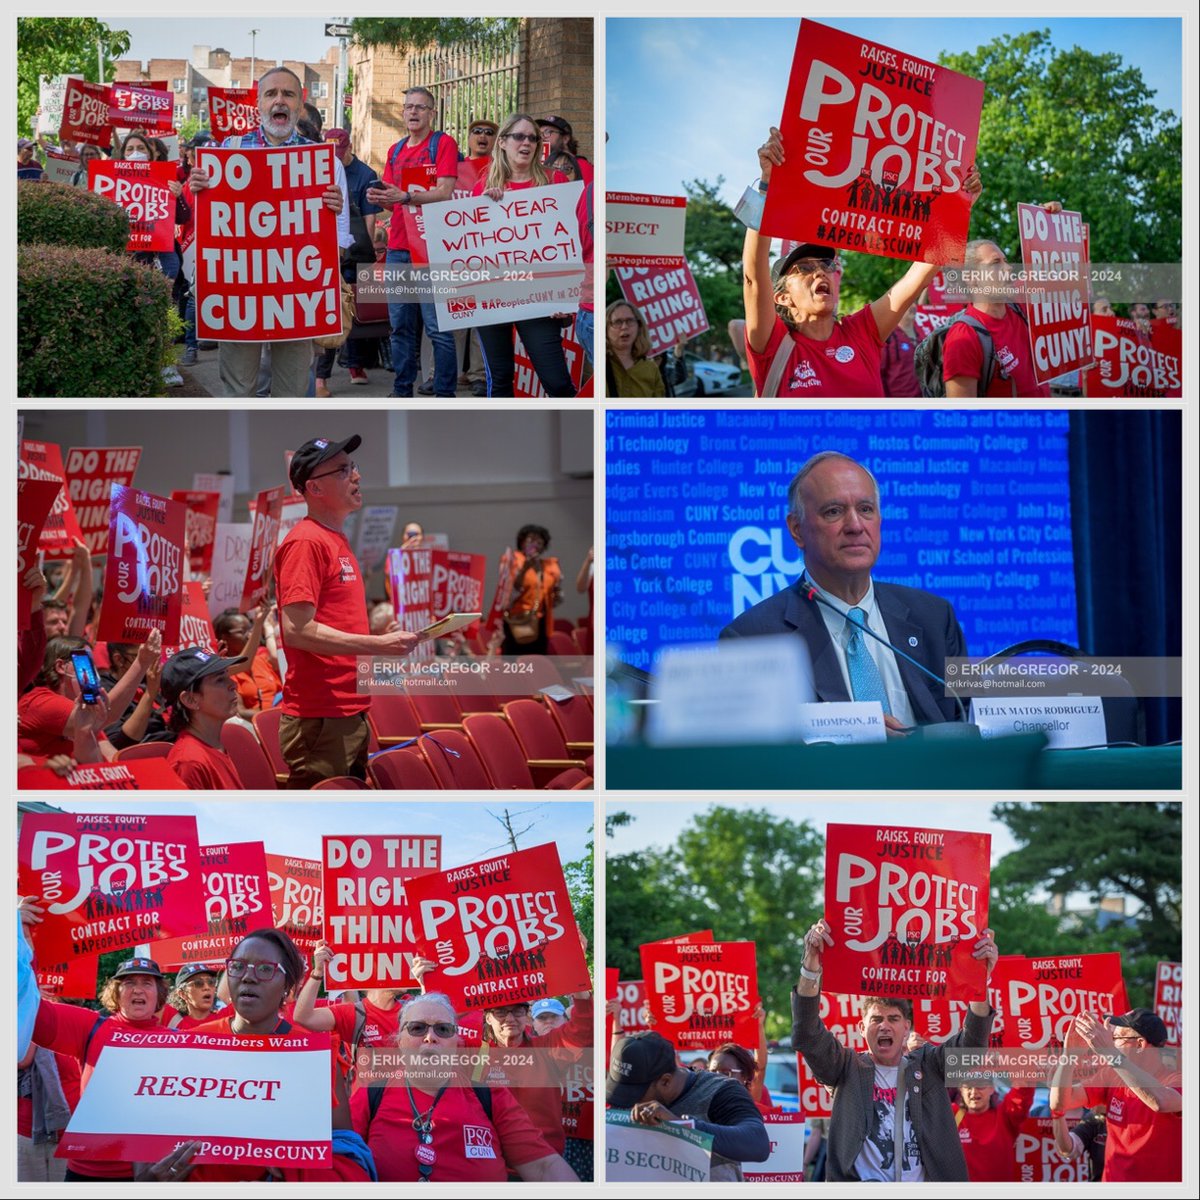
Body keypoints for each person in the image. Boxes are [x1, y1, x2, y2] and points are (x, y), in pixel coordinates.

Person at [720, 452, 966, 728]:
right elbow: (756, 756)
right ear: (797, 530)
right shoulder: (753, 639)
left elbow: (971, 719)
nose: (855, 526)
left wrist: (1020, 686)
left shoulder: (934, 616)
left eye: (865, 509)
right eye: (834, 512)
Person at [745, 126, 981, 396]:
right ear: (783, 298)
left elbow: (920, 275)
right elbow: (753, 278)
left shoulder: (861, 332)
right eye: (806, 268)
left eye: (825, 265)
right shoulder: (771, 346)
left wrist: (958, 207)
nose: (820, 272)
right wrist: (767, 185)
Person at [143, 929, 373, 1183]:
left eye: (265, 970)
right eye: (238, 967)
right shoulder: (192, 1044)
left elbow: (349, 1156)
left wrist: (290, 1172)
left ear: (287, 986)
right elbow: (148, 1145)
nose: (248, 978)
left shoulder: (314, 1055)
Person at [792, 916, 999, 1181]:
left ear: (907, 1028)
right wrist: (810, 967)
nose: (885, 1027)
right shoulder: (845, 1068)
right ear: (861, 1027)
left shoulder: (929, 1065)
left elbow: (972, 1048)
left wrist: (979, 979)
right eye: (876, 1019)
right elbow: (807, 1034)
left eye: (893, 1019)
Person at [188, 66, 350, 397]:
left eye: (288, 94)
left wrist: (332, 212)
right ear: (259, 103)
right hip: (240, 299)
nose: (280, 100)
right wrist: (198, 190)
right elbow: (210, 225)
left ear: (300, 104)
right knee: (239, 392)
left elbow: (341, 238)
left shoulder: (324, 163)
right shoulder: (226, 152)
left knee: (291, 394)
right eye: (271, 94)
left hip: (296, 299)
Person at [273, 435, 423, 786]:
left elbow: (333, 621)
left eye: (353, 467)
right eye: (343, 470)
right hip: (321, 715)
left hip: (347, 706)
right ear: (314, 488)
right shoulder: (306, 542)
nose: (356, 476)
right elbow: (297, 630)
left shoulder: (334, 538)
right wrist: (375, 645)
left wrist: (380, 639)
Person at [350, 990, 577, 1181]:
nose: (430, 1037)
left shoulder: (491, 1097)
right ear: (399, 1041)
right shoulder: (370, 1097)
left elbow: (544, 1167)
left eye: (443, 1029)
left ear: (457, 1042)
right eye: (417, 1028)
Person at [22, 943, 168, 1182]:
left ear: (159, 994)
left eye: (147, 983)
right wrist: (24, 945)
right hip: (88, 1172)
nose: (138, 990)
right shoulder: (91, 1026)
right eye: (129, 983)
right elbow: (32, 1016)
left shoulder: (178, 1041)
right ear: (116, 992)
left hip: (149, 1173)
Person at [471, 113, 577, 398]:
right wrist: (484, 209)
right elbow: (470, 245)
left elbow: (568, 241)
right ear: (503, 142)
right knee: (501, 380)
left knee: (557, 382)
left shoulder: (555, 181)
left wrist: (564, 295)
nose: (527, 142)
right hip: (493, 294)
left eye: (533, 137)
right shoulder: (483, 185)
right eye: (519, 136)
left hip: (540, 297)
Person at [366, 86, 460, 398]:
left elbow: (445, 193)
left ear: (432, 113)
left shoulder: (442, 144)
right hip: (398, 249)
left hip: (432, 251)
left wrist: (406, 196)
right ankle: (401, 389)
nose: (413, 112)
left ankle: (445, 394)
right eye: (408, 107)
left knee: (437, 329)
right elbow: (393, 203)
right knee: (401, 327)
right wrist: (380, 197)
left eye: (421, 107)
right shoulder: (395, 150)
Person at [607, 1030, 771, 1181]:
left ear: (665, 1081)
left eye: (634, 1094)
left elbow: (758, 1143)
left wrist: (683, 1127)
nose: (628, 1103)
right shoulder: (640, 1089)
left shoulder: (721, 1090)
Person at [1048, 1008, 1181, 1182]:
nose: (1110, 1043)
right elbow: (1061, 1102)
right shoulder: (1111, 1075)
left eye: (1116, 1039)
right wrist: (1069, 1057)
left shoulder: (1178, 1078)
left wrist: (1111, 1053)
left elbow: (1160, 1102)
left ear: (1140, 1044)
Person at [18, 632, 160, 760]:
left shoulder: (84, 711)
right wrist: (141, 662)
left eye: (94, 666)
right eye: (87, 664)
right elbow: (102, 715)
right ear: (61, 667)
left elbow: (112, 757)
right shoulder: (38, 701)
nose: (93, 673)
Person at [316, 127, 383, 394]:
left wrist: (365, 255)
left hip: (358, 251)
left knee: (361, 310)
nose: (337, 157)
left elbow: (370, 220)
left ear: (350, 146)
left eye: (340, 152)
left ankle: (357, 364)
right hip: (331, 249)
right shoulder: (321, 167)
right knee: (332, 311)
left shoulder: (366, 174)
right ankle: (322, 377)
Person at [942, 236, 1050, 397]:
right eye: (995, 263)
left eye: (1005, 261)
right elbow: (962, 417)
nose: (1008, 268)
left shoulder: (1019, 309)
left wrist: (1049, 218)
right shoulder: (963, 338)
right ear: (971, 278)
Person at [293, 938, 409, 1064]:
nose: (404, 968)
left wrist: (426, 980)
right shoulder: (354, 1013)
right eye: (394, 963)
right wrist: (318, 972)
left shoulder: (411, 1008)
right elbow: (303, 1017)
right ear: (375, 970)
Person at [161, 646, 247, 789]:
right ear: (190, 700)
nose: (233, 684)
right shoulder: (190, 762)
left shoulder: (214, 744)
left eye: (227, 675)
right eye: (220, 680)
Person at [500, 524, 562, 655]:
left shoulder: (548, 566)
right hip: (517, 619)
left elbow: (556, 598)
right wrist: (524, 569)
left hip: (541, 621)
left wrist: (557, 594)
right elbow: (508, 594)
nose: (535, 545)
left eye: (539, 542)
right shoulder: (512, 561)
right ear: (522, 542)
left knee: (538, 662)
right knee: (516, 662)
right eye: (531, 540)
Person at [953, 1081, 1034, 1181]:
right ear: (961, 1090)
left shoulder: (1005, 1115)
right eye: (968, 1087)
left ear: (992, 1089)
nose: (973, 1092)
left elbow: (1022, 1094)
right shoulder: (952, 1114)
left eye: (980, 1086)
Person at [605, 300, 686, 396]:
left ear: (639, 326)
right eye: (617, 322)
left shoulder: (651, 369)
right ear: (605, 327)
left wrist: (679, 350)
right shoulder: (595, 364)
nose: (624, 326)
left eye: (630, 321)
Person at [213, 605, 281, 715]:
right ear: (224, 637)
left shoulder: (262, 657)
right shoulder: (224, 671)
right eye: (242, 631)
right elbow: (240, 712)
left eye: (250, 630)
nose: (249, 636)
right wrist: (273, 716)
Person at [163, 963, 222, 1029]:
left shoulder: (225, 1017)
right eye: (198, 983)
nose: (207, 987)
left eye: (211, 982)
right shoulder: (174, 1022)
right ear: (182, 994)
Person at [537, 115, 593, 182]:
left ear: (565, 139)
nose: (542, 138)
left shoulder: (582, 165)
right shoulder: (538, 166)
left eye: (548, 132)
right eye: (540, 134)